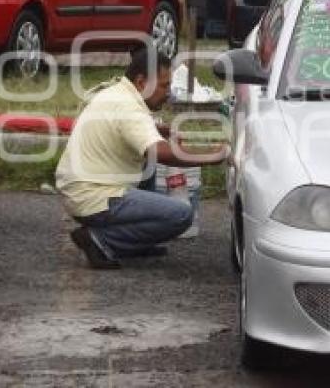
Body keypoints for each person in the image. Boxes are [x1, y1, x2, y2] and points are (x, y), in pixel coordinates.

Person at [56, 43, 230, 269]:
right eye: (164, 86)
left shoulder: (117, 92)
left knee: (147, 162)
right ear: (141, 83)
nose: (168, 93)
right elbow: (161, 153)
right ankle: (102, 240)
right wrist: (213, 155)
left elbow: (124, 129)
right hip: (94, 198)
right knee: (181, 214)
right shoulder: (130, 108)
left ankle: (136, 241)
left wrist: (157, 129)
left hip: (80, 189)